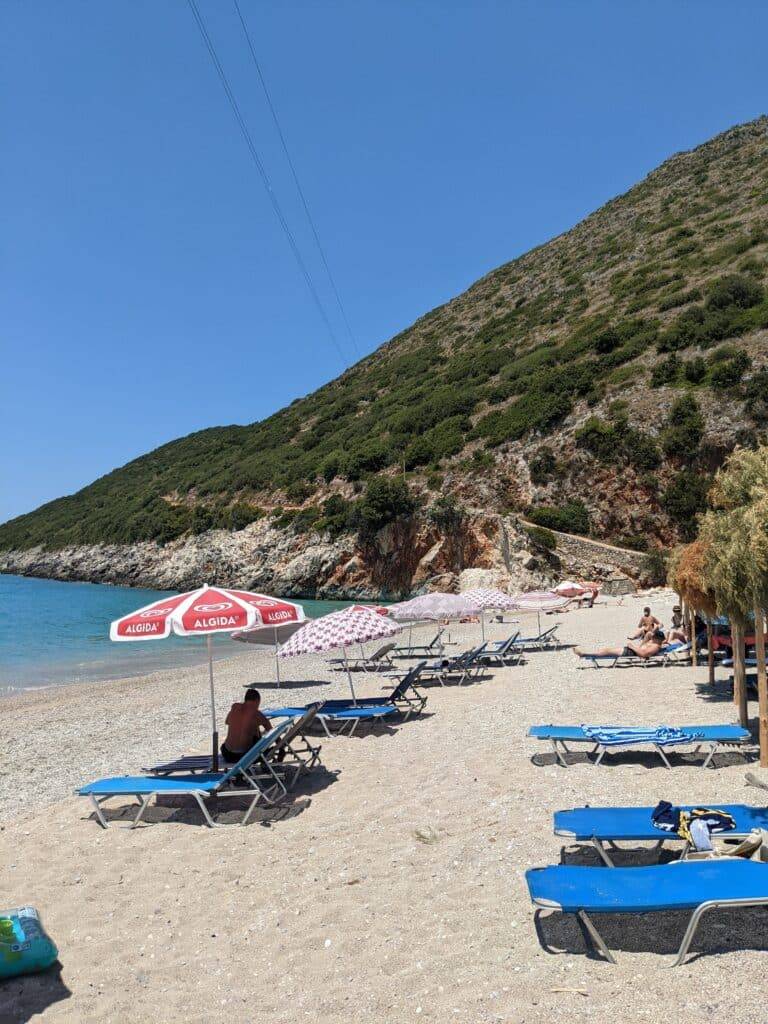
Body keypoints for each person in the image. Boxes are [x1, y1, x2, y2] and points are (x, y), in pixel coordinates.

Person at [220, 689, 272, 764]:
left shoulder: (235, 708)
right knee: (256, 733)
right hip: (243, 756)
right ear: (257, 700)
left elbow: (227, 722)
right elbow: (271, 731)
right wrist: (281, 748)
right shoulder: (257, 713)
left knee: (252, 727)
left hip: (226, 754)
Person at [575, 629, 667, 661]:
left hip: (631, 652)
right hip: (632, 651)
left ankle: (583, 654)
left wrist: (633, 647)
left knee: (607, 651)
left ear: (657, 638)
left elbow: (643, 655)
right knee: (606, 650)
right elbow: (649, 634)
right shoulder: (656, 643)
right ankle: (586, 653)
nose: (652, 637)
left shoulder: (655, 647)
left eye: (654, 637)